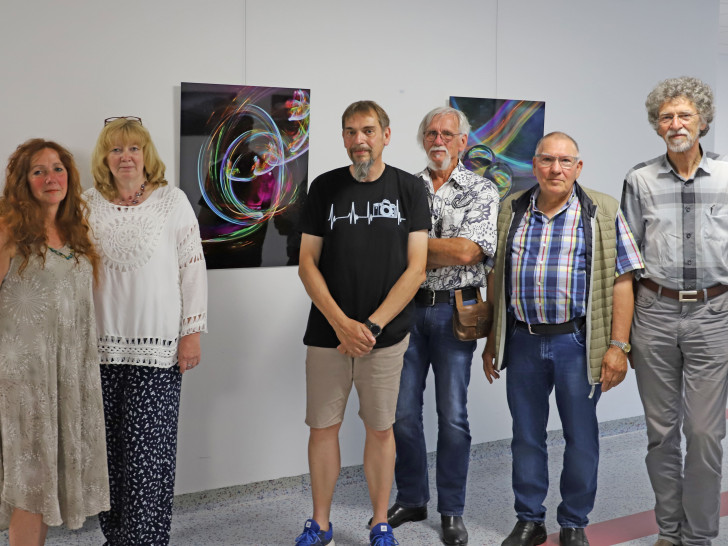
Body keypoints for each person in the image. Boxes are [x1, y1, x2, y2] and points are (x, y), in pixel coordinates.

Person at [483, 132, 643, 546]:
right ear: (534, 165)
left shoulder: (602, 211)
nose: (556, 169)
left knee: (581, 437)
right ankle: (529, 520)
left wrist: (618, 346)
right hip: (522, 341)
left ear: (578, 167)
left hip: (578, 342)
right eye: (547, 160)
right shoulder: (510, 210)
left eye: (565, 161)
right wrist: (491, 341)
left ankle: (573, 521)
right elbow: (495, 277)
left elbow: (624, 281)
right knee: (526, 435)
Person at [296, 100, 430, 546]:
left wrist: (370, 326)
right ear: (343, 137)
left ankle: (379, 522)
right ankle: (320, 524)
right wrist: (341, 324)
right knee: (323, 428)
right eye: (351, 132)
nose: (360, 140)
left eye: (368, 131)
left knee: (381, 428)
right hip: (327, 336)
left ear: (386, 135)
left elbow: (417, 269)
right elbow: (307, 264)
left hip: (385, 338)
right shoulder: (323, 188)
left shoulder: (409, 189)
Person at [87, 117, 208, 545]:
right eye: (116, 149)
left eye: (134, 148)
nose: (125, 157)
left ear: (146, 155)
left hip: (158, 351)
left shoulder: (171, 201)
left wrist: (191, 332)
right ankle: (116, 536)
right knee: (109, 456)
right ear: (105, 156)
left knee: (148, 457)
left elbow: (192, 267)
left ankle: (148, 538)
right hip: (99, 351)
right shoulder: (86, 204)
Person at [621, 76, 728, 546]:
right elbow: (626, 262)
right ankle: (670, 531)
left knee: (704, 434)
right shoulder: (639, 180)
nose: (675, 123)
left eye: (684, 115)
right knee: (661, 434)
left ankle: (700, 537)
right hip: (655, 314)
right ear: (656, 125)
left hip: (714, 314)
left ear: (702, 121)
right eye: (666, 116)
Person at [387, 106, 498, 546]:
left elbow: (470, 253)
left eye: (448, 134)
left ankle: (452, 510)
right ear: (422, 139)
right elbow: (385, 249)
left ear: (462, 142)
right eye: (431, 133)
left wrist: (410, 246)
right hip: (405, 310)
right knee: (401, 415)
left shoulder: (481, 190)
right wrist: (438, 248)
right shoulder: (402, 188)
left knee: (452, 417)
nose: (439, 139)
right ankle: (413, 497)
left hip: (455, 313)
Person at [0, 139, 109, 544]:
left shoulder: (74, 229)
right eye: (39, 171)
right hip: (24, 376)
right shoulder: (9, 227)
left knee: (44, 481)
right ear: (23, 181)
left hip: (68, 373)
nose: (51, 178)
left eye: (58, 169)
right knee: (29, 485)